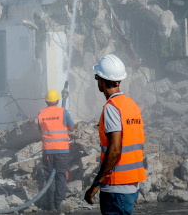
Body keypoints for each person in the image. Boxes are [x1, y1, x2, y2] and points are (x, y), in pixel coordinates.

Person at [84, 54, 145, 215]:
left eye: (97, 77)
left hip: (115, 188)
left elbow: (115, 149)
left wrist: (97, 183)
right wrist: (132, 190)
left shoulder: (112, 108)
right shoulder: (131, 105)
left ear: (101, 80)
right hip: (131, 185)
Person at [38, 88, 75, 211]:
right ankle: (59, 204)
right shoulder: (63, 112)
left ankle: (51, 204)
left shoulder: (41, 113)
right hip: (61, 152)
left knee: (49, 178)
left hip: (48, 152)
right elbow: (72, 128)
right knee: (61, 177)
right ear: (58, 100)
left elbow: (41, 129)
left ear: (46, 101)